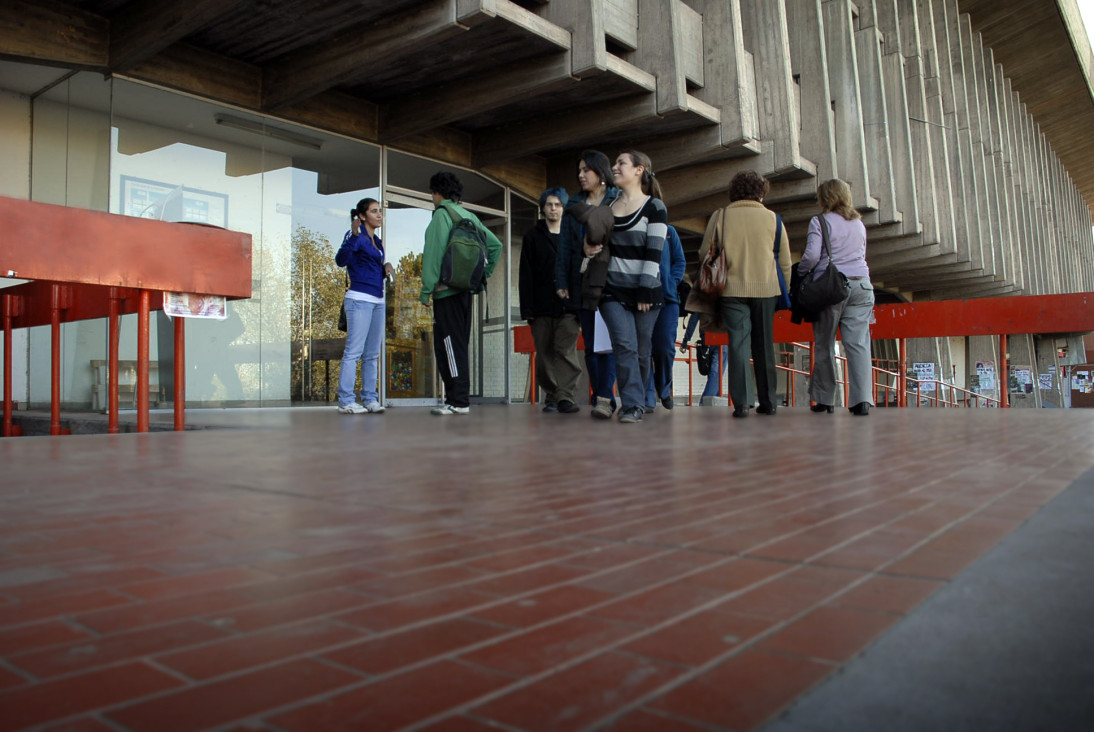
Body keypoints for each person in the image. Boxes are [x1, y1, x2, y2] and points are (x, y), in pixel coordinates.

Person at [698, 170, 791, 418]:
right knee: (764, 346)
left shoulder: (721, 216)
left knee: (738, 345)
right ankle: (769, 402)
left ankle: (742, 403)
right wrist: (785, 291)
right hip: (767, 289)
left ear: (734, 191)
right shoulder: (774, 219)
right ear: (761, 192)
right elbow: (784, 262)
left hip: (731, 290)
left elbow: (703, 253)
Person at [593, 149, 666, 424]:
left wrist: (646, 289)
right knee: (624, 347)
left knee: (642, 353)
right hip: (612, 290)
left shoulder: (654, 207)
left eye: (621, 163)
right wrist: (589, 248)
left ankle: (639, 396)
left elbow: (654, 251)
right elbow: (599, 248)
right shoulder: (609, 208)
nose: (614, 167)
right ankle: (631, 405)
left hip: (645, 291)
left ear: (638, 170)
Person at [419, 172, 502, 415]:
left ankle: (458, 401)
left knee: (448, 345)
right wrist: (483, 274)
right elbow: (496, 246)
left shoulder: (441, 217)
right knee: (459, 344)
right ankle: (457, 399)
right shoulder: (469, 216)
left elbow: (433, 257)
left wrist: (426, 291)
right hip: (466, 291)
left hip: (446, 294)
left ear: (436, 193)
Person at [556, 151, 621, 419]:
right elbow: (565, 247)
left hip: (612, 280)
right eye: (579, 170)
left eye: (587, 170)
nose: (581, 175)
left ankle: (604, 396)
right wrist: (561, 280)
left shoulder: (617, 201)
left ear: (601, 173)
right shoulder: (573, 206)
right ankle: (601, 395)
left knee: (611, 344)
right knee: (593, 345)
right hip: (582, 280)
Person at [801, 178, 874, 416]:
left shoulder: (820, 221)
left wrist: (802, 273)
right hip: (862, 285)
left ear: (824, 198)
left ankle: (825, 399)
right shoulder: (859, 224)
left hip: (832, 288)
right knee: (858, 345)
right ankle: (862, 401)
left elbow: (812, 256)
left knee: (824, 344)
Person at [519, 187, 582, 413]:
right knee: (544, 355)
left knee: (565, 351)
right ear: (543, 208)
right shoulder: (532, 236)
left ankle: (566, 396)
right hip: (540, 306)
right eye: (549, 204)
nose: (553, 209)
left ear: (564, 209)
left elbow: (579, 271)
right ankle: (552, 396)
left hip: (569, 307)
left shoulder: (574, 236)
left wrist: (580, 305)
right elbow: (526, 275)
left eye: (558, 205)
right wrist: (527, 308)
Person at [335, 197, 394, 414]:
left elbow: (370, 267)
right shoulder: (356, 237)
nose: (379, 215)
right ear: (361, 216)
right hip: (359, 299)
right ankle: (346, 401)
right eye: (374, 211)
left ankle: (370, 398)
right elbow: (341, 260)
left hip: (378, 300)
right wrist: (353, 234)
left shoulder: (377, 242)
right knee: (354, 351)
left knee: (372, 353)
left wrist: (385, 265)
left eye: (380, 211)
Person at [645, 224, 685, 411]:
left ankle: (664, 387)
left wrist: (671, 282)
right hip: (642, 297)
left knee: (664, 348)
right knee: (642, 348)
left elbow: (680, 261)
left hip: (667, 299)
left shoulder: (669, 232)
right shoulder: (635, 228)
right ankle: (648, 396)